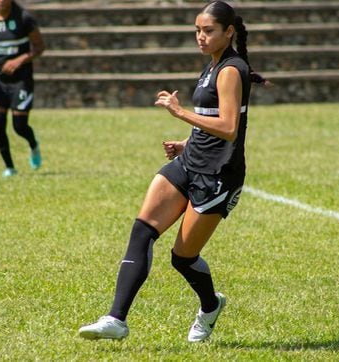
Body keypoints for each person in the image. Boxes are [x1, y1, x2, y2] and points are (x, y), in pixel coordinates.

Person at [78, 1, 268, 342]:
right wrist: (186, 142)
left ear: (228, 32)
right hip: (189, 162)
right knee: (142, 231)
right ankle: (115, 319)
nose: (201, 36)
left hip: (218, 176)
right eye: (197, 30)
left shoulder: (230, 69)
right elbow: (211, 121)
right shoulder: (212, 66)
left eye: (208, 30)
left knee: (182, 258)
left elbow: (227, 127)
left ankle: (210, 306)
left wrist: (180, 113)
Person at [0, 0, 45, 178]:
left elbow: (39, 47)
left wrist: (18, 61)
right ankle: (10, 167)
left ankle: (33, 144)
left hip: (21, 80)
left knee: (19, 126)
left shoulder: (24, 18)